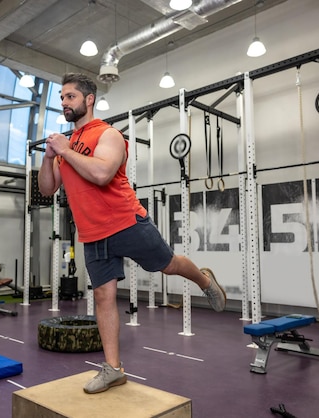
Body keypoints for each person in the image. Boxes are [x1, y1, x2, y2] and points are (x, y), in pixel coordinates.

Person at [38, 73, 226, 394]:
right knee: (102, 296)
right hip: (92, 233)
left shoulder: (107, 134)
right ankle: (113, 369)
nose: (64, 103)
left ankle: (204, 279)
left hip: (126, 222)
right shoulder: (64, 147)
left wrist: (66, 151)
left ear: (89, 99)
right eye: (62, 98)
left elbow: (101, 173)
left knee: (167, 265)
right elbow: (47, 188)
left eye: (70, 97)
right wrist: (49, 156)